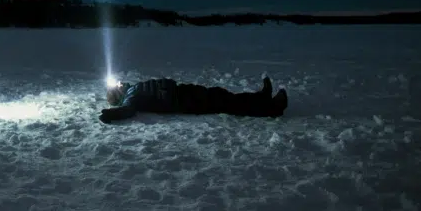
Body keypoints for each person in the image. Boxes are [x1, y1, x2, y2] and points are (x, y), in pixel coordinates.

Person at [100, 76, 288, 123]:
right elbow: (127, 111)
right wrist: (110, 114)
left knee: (222, 95)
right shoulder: (131, 98)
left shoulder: (133, 87)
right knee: (226, 103)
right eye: (116, 86)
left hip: (182, 90)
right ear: (119, 95)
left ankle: (261, 96)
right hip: (183, 101)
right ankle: (272, 109)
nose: (119, 82)